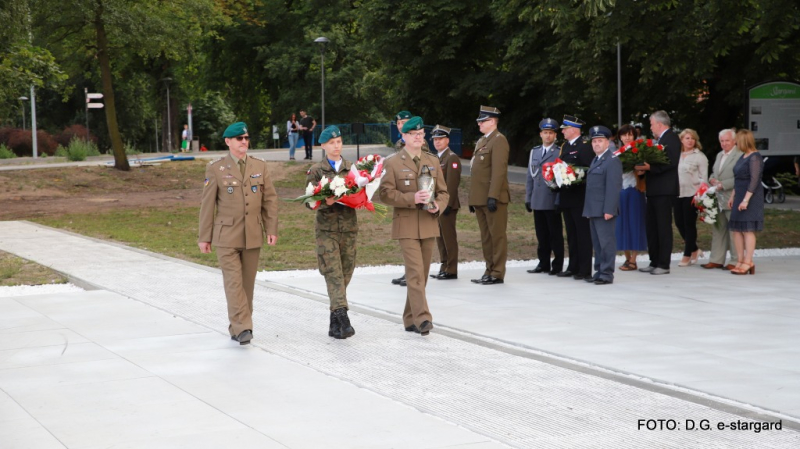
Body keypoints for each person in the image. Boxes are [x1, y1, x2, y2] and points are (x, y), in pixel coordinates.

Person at [198, 121, 279, 345]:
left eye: (246, 138)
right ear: (228, 142)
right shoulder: (216, 168)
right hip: (226, 236)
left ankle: (238, 326)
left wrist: (271, 228)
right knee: (234, 284)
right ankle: (244, 327)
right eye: (239, 139)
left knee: (246, 285)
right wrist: (204, 237)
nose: (244, 142)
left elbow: (269, 200)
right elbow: (207, 205)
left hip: (252, 233)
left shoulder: (259, 166)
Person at [379, 116, 448, 335]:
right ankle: (423, 319)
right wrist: (412, 198)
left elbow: (444, 192)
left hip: (428, 223)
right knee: (415, 272)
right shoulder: (392, 162)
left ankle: (409, 318)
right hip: (406, 225)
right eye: (413, 134)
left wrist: (439, 205)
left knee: (423, 274)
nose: (419, 137)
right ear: (404, 136)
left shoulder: (432, 161)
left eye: (421, 134)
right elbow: (385, 194)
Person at [306, 126, 357, 339]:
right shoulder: (317, 170)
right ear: (323, 146)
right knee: (333, 273)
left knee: (346, 272)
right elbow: (309, 201)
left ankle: (334, 321)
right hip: (327, 230)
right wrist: (324, 201)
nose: (337, 146)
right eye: (332, 143)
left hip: (349, 228)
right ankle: (343, 318)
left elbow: (360, 192)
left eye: (339, 142)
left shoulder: (351, 168)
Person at [468, 105, 509, 285]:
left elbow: (498, 171)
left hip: (494, 198)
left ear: (492, 121)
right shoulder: (482, 141)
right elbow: (476, 173)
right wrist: (473, 198)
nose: (479, 124)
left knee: (497, 236)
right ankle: (489, 269)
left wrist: (493, 195)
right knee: (486, 237)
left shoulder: (499, 140)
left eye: (482, 121)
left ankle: (497, 272)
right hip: (481, 198)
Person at [637, 110, 680, 275]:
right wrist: (644, 170)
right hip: (653, 189)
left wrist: (650, 167)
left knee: (663, 227)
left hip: (665, 190)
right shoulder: (659, 140)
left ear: (660, 124)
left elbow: (671, 162)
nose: (651, 127)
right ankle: (654, 260)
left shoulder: (672, 139)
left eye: (652, 124)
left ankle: (663, 263)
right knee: (652, 227)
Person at [390, 110, 429, 287]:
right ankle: (409, 273)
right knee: (407, 242)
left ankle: (413, 275)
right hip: (403, 199)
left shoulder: (420, 144)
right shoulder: (399, 143)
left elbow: (425, 171)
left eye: (404, 122)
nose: (400, 126)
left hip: (419, 200)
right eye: (398, 123)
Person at [583, 126, 623, 285]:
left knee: (606, 243)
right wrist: (588, 210)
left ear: (608, 142)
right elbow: (592, 188)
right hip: (594, 209)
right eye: (594, 141)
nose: (596, 144)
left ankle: (606, 273)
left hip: (604, 210)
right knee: (598, 243)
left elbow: (613, 187)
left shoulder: (612, 160)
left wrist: (609, 209)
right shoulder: (596, 159)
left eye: (600, 141)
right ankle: (599, 270)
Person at [556, 114, 594, 280]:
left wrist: (573, 177)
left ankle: (584, 269)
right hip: (567, 196)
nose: (562, 132)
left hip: (579, 196)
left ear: (573, 129)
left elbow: (587, 170)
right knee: (571, 233)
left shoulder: (585, 146)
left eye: (565, 129)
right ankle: (573, 266)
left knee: (582, 233)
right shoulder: (564, 146)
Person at [525, 118, 564, 275]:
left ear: (555, 135)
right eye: (545, 133)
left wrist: (559, 199)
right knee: (541, 234)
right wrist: (528, 198)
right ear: (540, 134)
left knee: (555, 234)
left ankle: (557, 265)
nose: (548, 136)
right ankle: (543, 263)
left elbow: (562, 177)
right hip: (537, 199)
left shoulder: (559, 152)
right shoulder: (534, 151)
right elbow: (530, 177)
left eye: (551, 133)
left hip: (551, 198)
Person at [702, 129, 742, 270]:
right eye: (722, 141)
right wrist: (712, 178)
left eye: (727, 141)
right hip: (718, 198)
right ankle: (716, 259)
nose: (724, 144)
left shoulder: (740, 155)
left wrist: (722, 185)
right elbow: (715, 171)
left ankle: (736, 260)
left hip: (732, 196)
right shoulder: (719, 155)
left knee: (734, 230)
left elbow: (740, 177)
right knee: (718, 229)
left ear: (734, 141)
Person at [727, 129, 764, 275]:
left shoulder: (755, 157)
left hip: (751, 196)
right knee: (737, 229)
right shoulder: (743, 156)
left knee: (747, 229)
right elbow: (738, 179)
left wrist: (746, 200)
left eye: (737, 140)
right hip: (739, 194)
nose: (735, 143)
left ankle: (748, 261)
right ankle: (740, 260)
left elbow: (754, 180)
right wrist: (733, 197)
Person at [430, 125, 461, 280]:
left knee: (448, 237)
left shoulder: (451, 158)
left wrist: (447, 204)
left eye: (440, 139)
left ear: (447, 140)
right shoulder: (436, 158)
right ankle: (444, 266)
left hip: (447, 205)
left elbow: (452, 184)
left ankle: (452, 269)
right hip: (437, 204)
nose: (437, 142)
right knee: (440, 238)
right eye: (435, 139)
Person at [674, 128, 709, 266]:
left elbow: (703, 178)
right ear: (681, 140)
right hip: (677, 193)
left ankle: (687, 254)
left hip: (692, 194)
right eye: (687, 138)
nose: (690, 141)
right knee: (678, 223)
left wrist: (699, 195)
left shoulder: (699, 156)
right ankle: (695, 249)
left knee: (689, 224)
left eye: (692, 138)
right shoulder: (676, 154)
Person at [615, 125, 647, 270]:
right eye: (624, 135)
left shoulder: (640, 151)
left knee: (635, 223)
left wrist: (640, 172)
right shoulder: (616, 153)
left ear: (634, 136)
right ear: (620, 137)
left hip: (635, 190)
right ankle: (627, 258)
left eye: (629, 135)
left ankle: (634, 259)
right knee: (621, 225)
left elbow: (645, 171)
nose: (627, 138)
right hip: (620, 192)